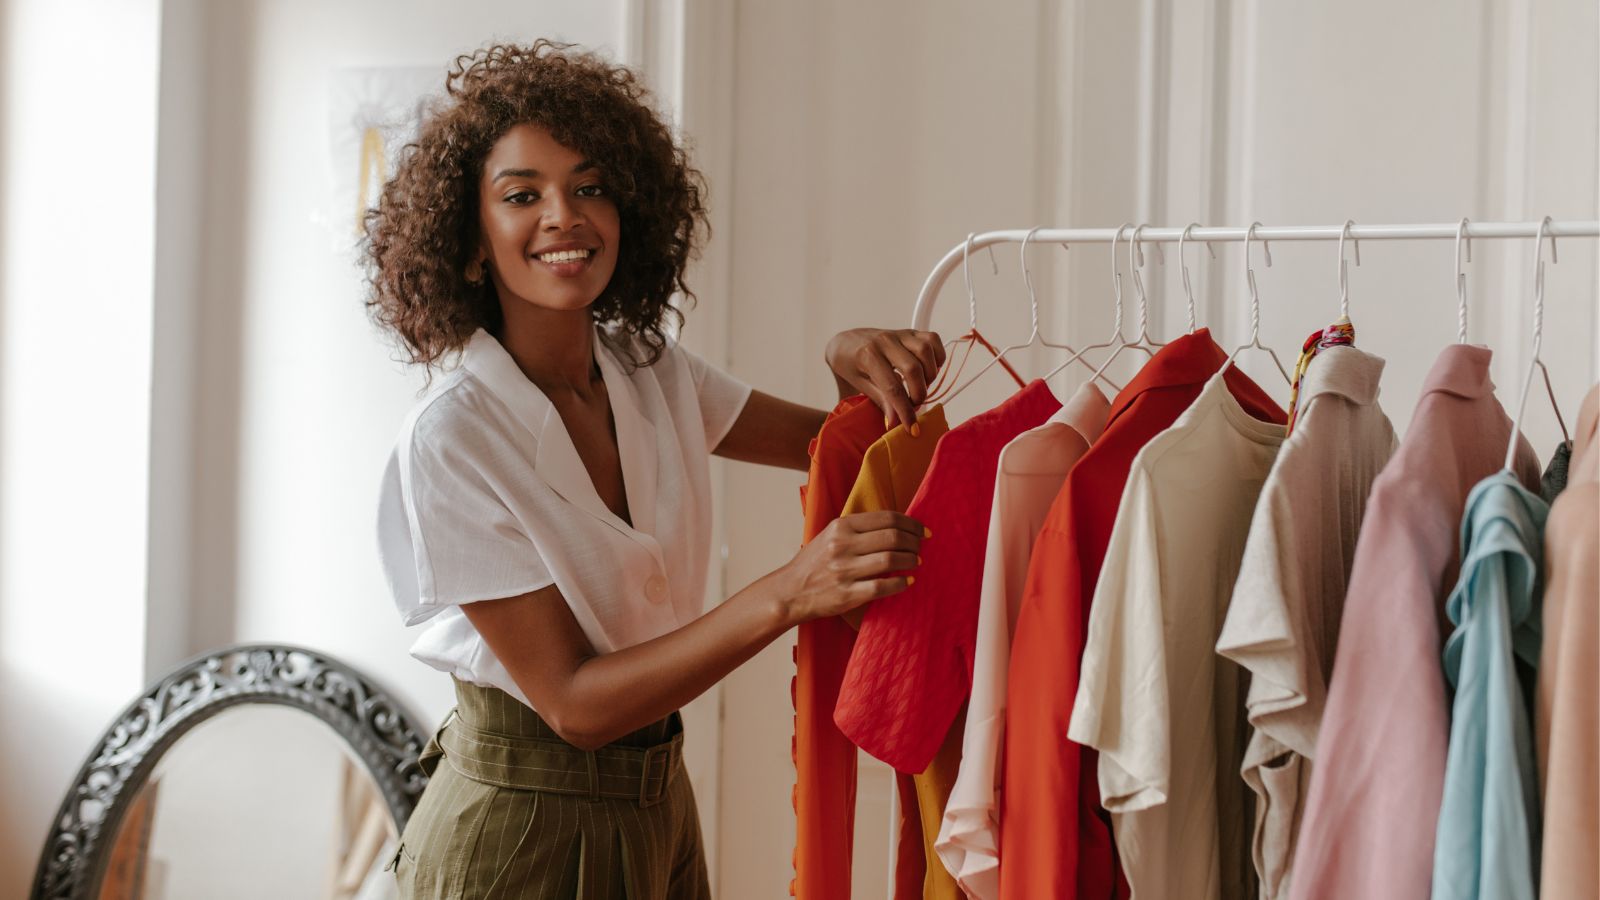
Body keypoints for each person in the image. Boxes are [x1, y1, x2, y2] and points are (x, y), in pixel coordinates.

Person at [365, 41, 943, 899]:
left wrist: (842, 358)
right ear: (473, 241)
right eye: (523, 195)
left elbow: (838, 451)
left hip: (658, 803)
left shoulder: (648, 368)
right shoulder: (452, 440)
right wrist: (786, 593)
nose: (565, 215)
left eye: (590, 186)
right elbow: (574, 704)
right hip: (516, 829)